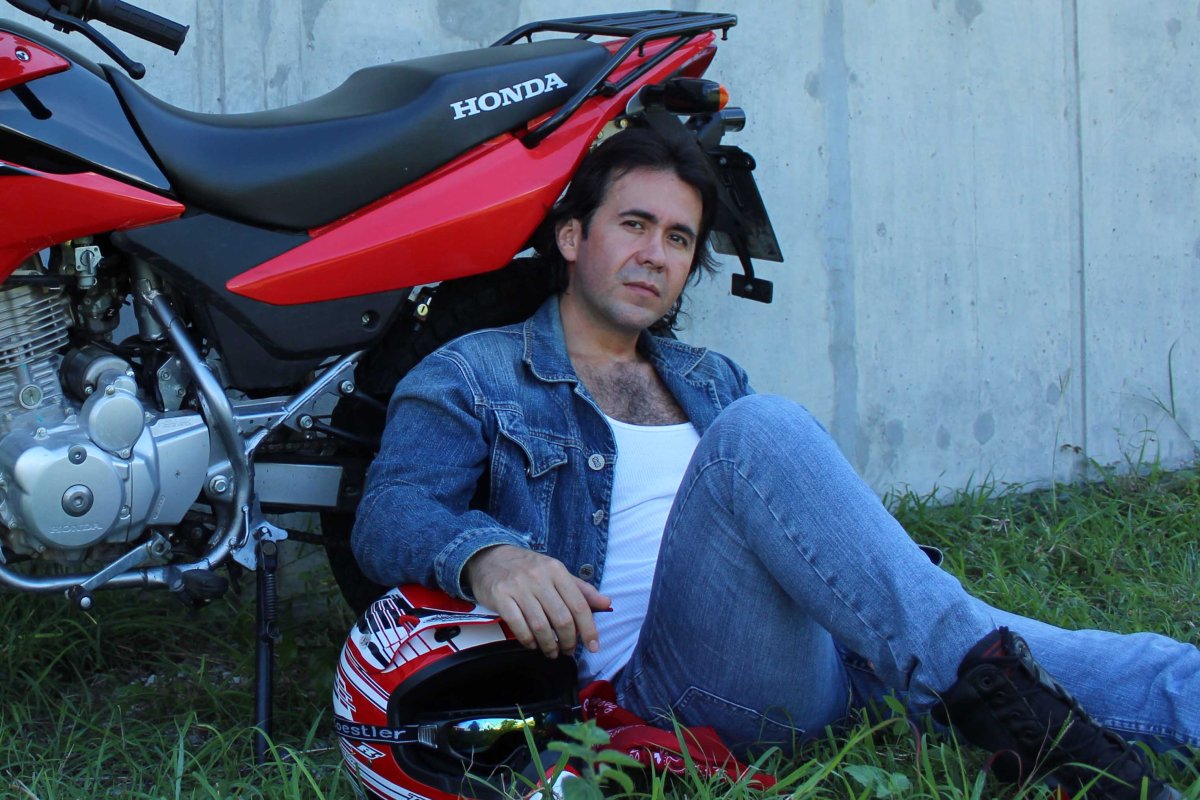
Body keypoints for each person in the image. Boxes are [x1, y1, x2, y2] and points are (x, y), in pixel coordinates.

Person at [351, 126, 1198, 798]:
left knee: (1143, 669)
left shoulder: (709, 379)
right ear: (572, 236)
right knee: (758, 433)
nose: (656, 254)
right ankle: (991, 698)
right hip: (672, 690)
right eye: (634, 224)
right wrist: (492, 558)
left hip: (834, 658)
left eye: (679, 239)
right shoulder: (475, 373)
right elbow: (388, 511)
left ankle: (997, 695)